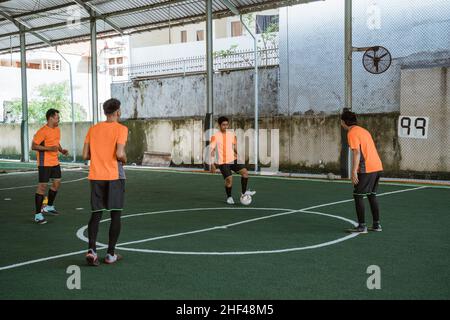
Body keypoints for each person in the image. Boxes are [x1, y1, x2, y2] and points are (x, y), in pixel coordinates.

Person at [82, 98, 128, 266]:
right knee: (115, 214)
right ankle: (110, 254)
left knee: (96, 213)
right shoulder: (121, 129)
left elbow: (85, 155)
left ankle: (92, 251)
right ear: (117, 111)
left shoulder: (93, 129)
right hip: (114, 176)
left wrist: (99, 156)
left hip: (95, 176)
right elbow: (120, 153)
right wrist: (125, 158)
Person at [341, 109, 383, 234]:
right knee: (371, 195)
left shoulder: (352, 133)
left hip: (367, 169)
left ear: (344, 122)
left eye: (341, 122)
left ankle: (362, 226)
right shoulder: (364, 131)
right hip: (377, 166)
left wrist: (354, 171)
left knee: (358, 195)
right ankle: (376, 225)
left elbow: (357, 152)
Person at [31, 109, 68, 225]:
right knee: (42, 187)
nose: (59, 119)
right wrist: (49, 149)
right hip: (44, 163)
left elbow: (56, 143)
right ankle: (37, 215)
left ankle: (49, 206)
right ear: (50, 118)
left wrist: (61, 150)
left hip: (54, 161)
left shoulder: (57, 129)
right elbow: (33, 146)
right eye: (57, 118)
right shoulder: (42, 131)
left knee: (57, 183)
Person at [209, 116, 255, 204]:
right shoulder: (215, 136)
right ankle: (229, 197)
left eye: (227, 124)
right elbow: (212, 150)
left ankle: (243, 193)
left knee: (245, 173)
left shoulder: (231, 134)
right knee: (229, 180)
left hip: (233, 159)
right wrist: (212, 164)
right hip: (223, 162)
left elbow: (234, 146)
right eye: (223, 125)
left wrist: (238, 155)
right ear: (219, 125)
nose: (225, 126)